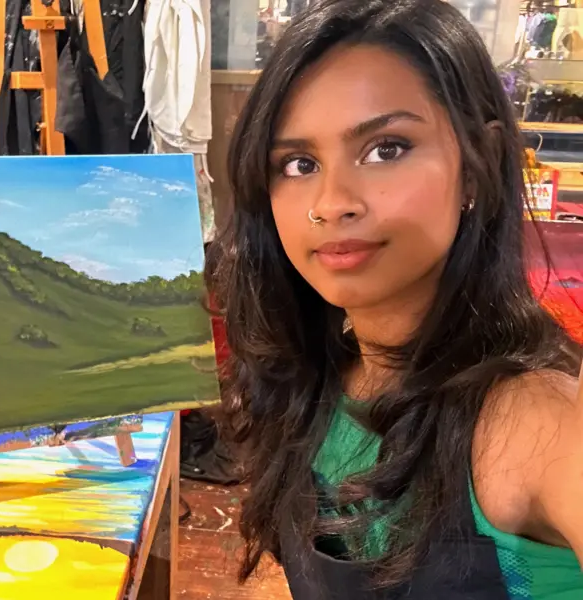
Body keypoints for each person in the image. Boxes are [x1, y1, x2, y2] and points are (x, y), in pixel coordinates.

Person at [204, 0, 583, 598]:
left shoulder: (540, 418)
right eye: (299, 163)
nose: (332, 203)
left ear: (478, 164)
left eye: (386, 149)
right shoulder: (315, 379)